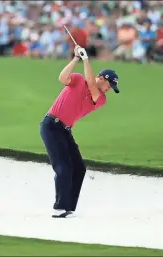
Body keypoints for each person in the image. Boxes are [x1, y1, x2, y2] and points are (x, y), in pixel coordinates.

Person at [39, 45, 120, 218]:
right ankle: (59, 207)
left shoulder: (101, 99)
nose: (109, 89)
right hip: (51, 125)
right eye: (109, 85)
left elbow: (91, 85)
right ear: (101, 78)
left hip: (65, 129)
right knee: (63, 167)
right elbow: (62, 78)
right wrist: (76, 58)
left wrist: (86, 59)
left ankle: (68, 207)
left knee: (79, 168)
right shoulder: (77, 79)